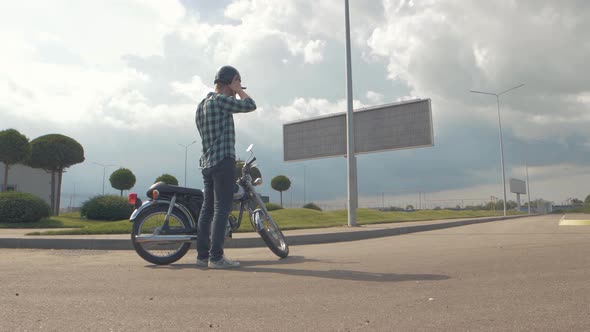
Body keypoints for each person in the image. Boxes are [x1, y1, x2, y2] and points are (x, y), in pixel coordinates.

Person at [195, 65, 257, 269]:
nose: (236, 90)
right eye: (236, 84)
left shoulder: (201, 105)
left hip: (207, 163)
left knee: (207, 209)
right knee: (222, 208)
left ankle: (203, 256)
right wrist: (239, 90)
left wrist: (235, 89)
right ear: (230, 82)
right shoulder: (221, 100)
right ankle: (216, 257)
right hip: (223, 161)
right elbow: (250, 105)